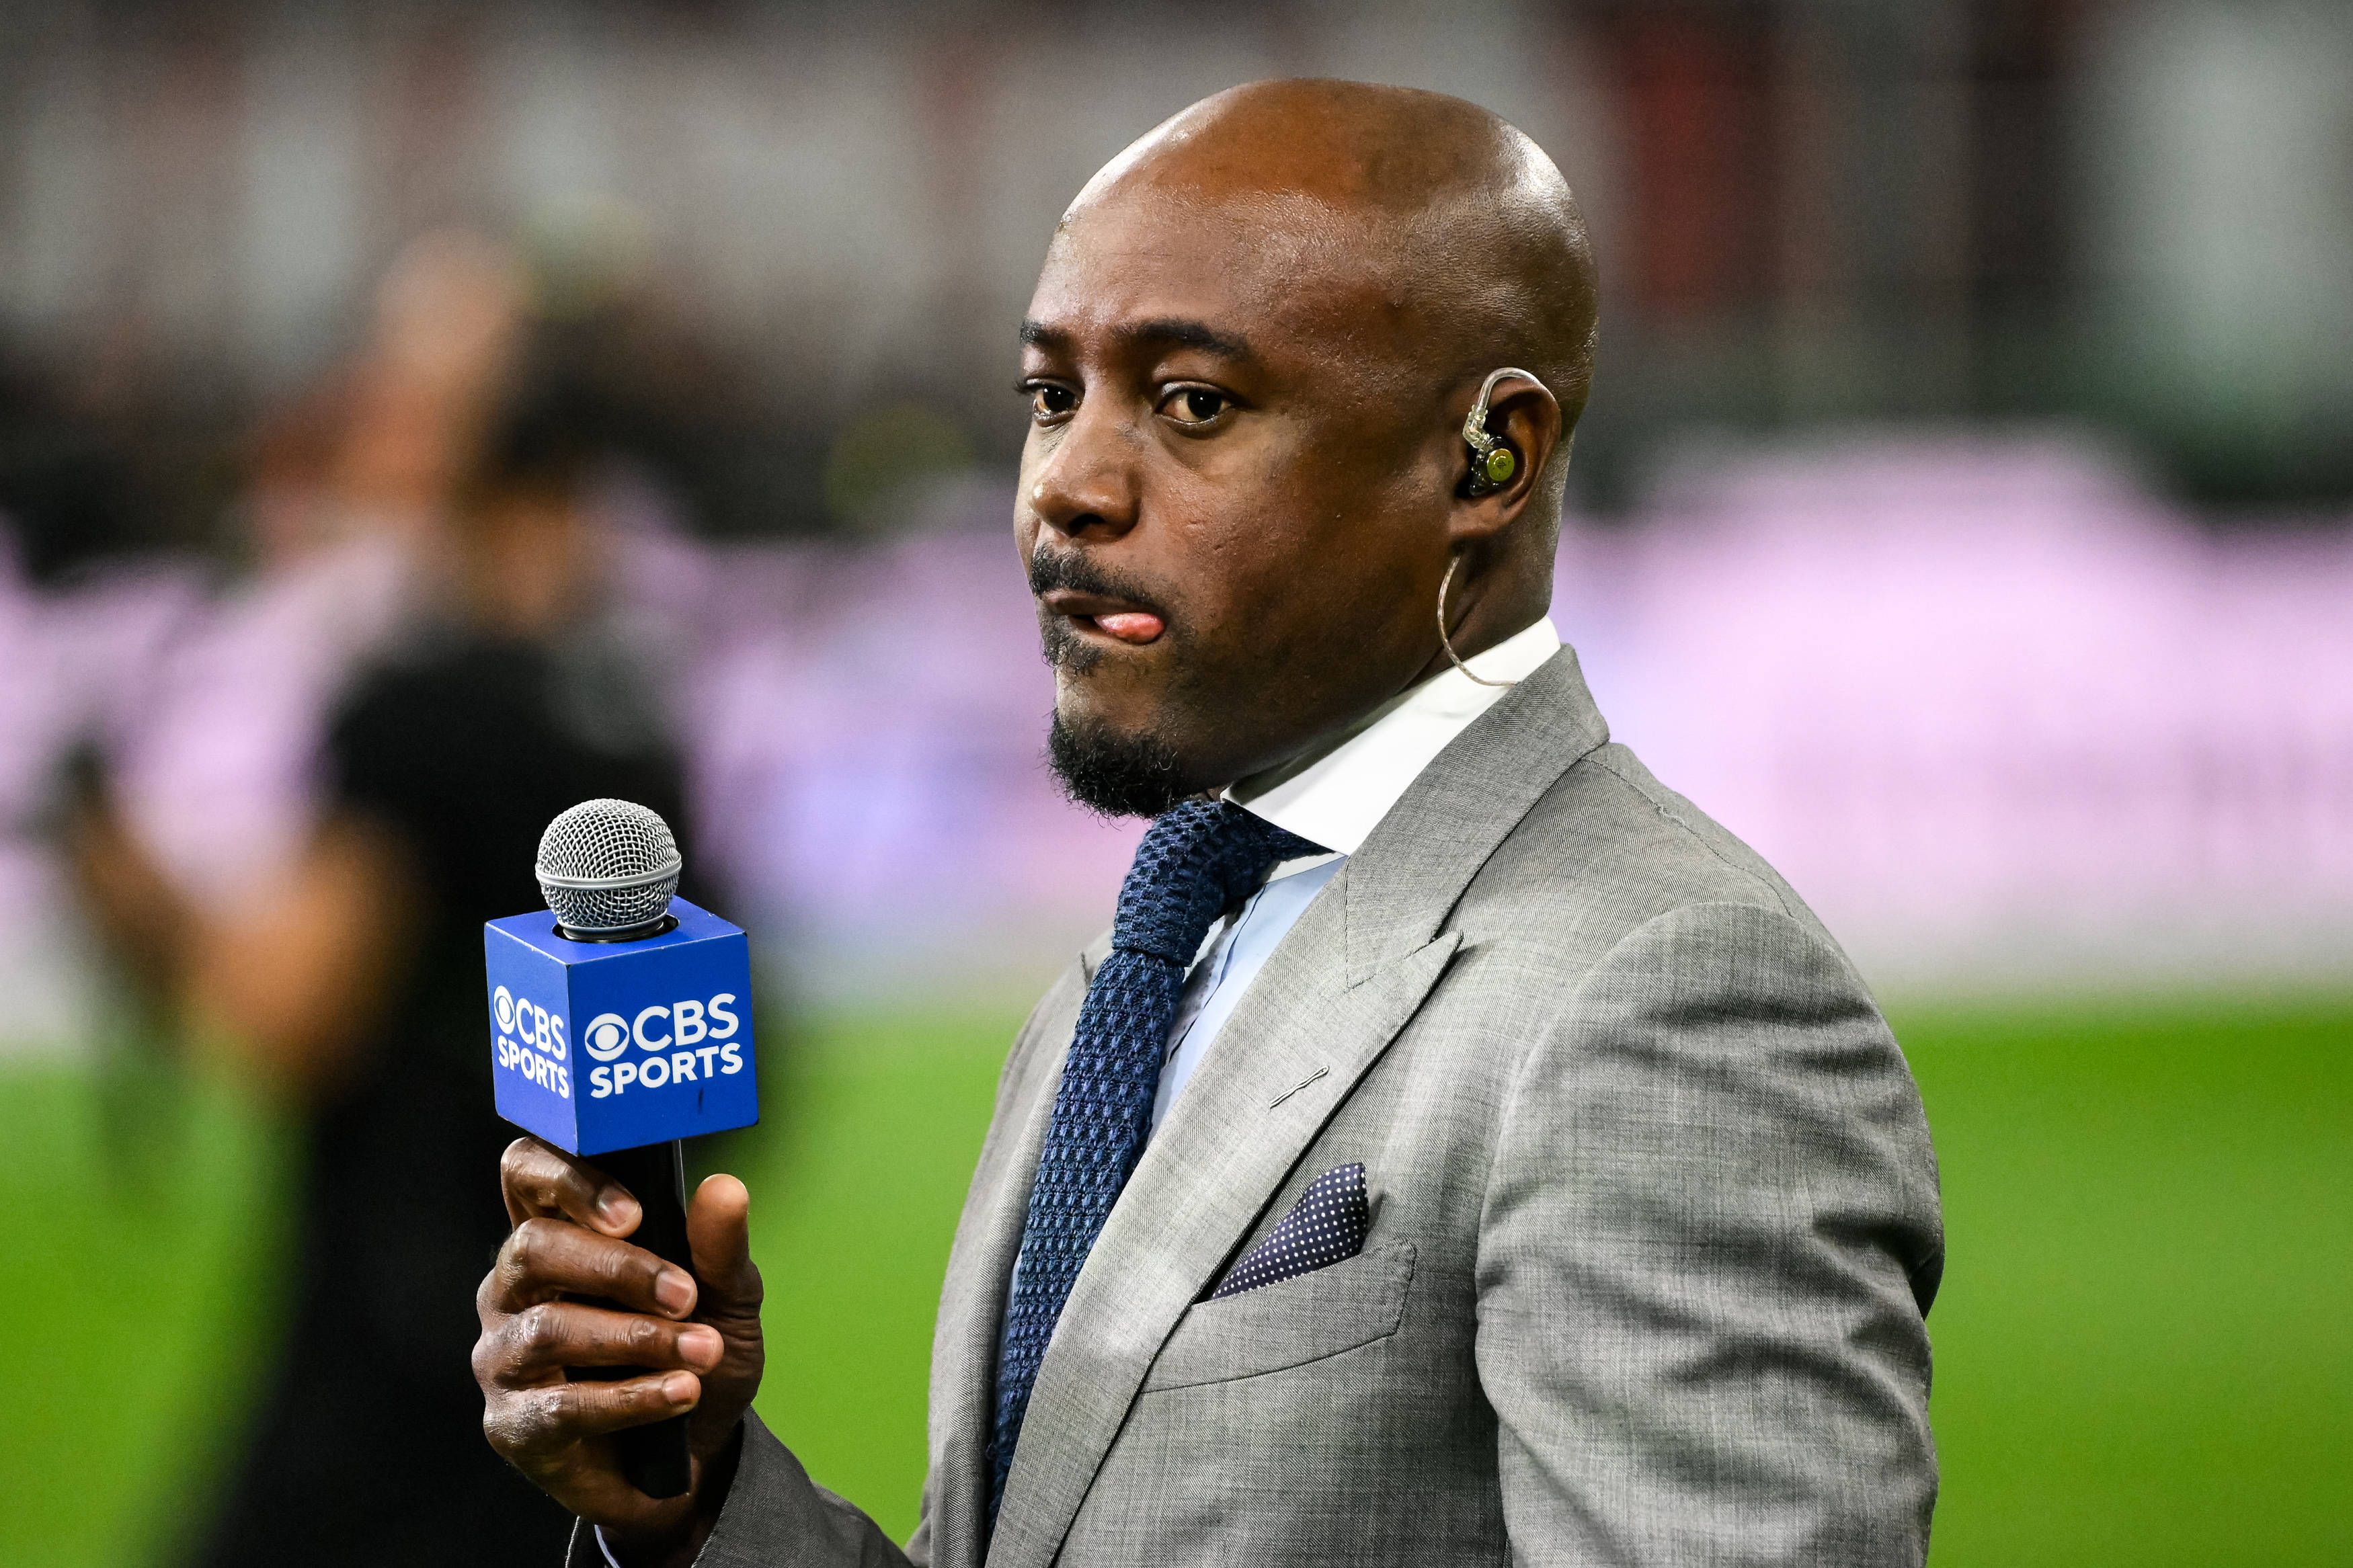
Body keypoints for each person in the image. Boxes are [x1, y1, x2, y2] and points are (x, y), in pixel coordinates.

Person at [473, 80, 1943, 1567]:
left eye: (1192, 405)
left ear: (1484, 457)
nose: (1069, 488)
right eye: (1053, 396)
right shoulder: (1150, 954)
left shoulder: (1662, 995)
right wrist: (701, 1504)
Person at [185, 378, 691, 1567]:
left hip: (401, 1319)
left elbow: (287, 1011)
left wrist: (132, 888)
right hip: (608, 1314)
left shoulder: (419, 708)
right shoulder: (637, 723)